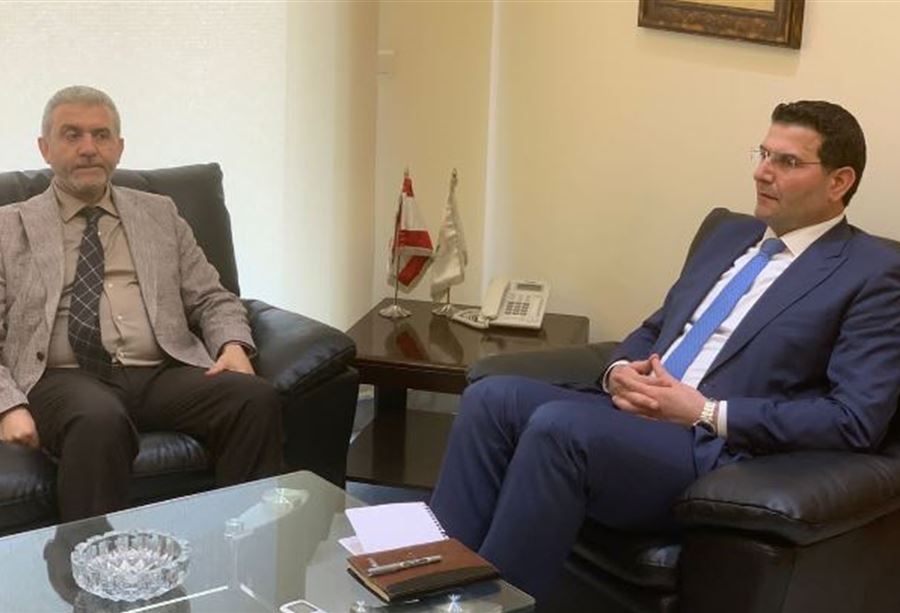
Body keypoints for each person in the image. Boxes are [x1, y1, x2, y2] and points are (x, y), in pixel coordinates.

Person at [429, 100, 900, 600]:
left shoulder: (871, 273)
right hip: (634, 413)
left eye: (787, 162)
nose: (763, 172)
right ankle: (429, 585)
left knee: (560, 427)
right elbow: (659, 326)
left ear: (839, 181)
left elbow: (854, 420)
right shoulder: (731, 235)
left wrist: (706, 411)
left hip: (707, 446)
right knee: (491, 397)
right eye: (763, 154)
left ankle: (492, 607)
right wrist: (617, 371)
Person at [0, 85, 283, 521]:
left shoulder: (160, 213)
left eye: (101, 135)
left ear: (119, 147)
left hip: (158, 372)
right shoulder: (8, 226)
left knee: (253, 398)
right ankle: (88, 560)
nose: (89, 148)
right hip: (61, 376)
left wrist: (232, 345)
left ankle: (241, 545)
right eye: (72, 135)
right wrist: (8, 405)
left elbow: (212, 297)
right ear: (45, 148)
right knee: (99, 420)